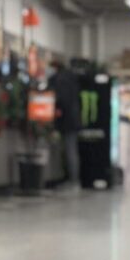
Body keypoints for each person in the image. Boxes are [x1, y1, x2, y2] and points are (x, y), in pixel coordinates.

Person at [50, 59, 82, 187]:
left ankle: (72, 180)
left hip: (67, 120)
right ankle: (72, 179)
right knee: (71, 149)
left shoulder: (60, 80)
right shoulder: (71, 79)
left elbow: (61, 100)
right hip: (73, 119)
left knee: (69, 150)